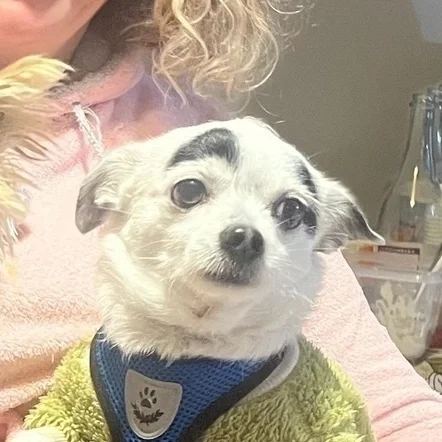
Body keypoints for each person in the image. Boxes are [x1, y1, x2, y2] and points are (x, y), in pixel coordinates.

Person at [1, 1, 442, 441]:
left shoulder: (198, 125)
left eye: (288, 213)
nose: (245, 234)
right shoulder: (89, 379)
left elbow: (393, 406)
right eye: (190, 192)